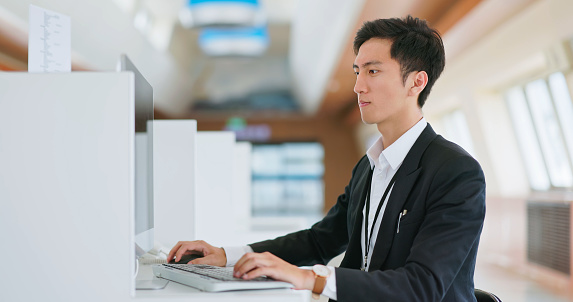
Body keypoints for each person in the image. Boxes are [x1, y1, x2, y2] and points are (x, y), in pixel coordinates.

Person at [168, 15, 486, 302]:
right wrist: (228, 255)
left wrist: (311, 278)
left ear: (417, 82)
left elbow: (423, 287)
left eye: (373, 71)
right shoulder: (369, 166)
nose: (358, 86)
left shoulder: (456, 172)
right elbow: (320, 241)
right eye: (357, 72)